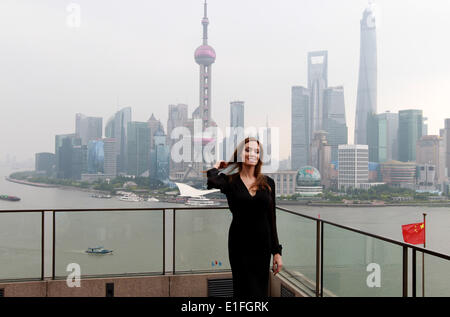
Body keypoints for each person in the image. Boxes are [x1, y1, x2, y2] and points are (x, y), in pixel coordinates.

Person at [205, 136, 283, 297]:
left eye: (256, 151)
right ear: (240, 154)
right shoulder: (230, 181)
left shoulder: (268, 182)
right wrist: (217, 166)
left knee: (260, 290)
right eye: (248, 150)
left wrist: (276, 252)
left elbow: (271, 218)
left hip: (263, 245)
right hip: (239, 244)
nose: (252, 154)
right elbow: (212, 180)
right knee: (242, 288)